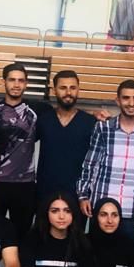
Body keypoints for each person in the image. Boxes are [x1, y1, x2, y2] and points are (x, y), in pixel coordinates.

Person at [77, 80, 134, 241]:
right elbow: (90, 163)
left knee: (127, 253)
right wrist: (83, 195)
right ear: (117, 100)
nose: (131, 103)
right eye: (126, 98)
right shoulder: (103, 128)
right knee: (96, 251)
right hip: (101, 205)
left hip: (131, 208)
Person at [0, 63, 48, 239]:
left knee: (21, 235)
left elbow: (64, 114)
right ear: (3, 82)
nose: (16, 84)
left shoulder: (38, 110)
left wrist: (93, 115)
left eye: (21, 80)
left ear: (26, 83)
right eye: (12, 80)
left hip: (25, 184)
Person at [34, 70, 97, 201]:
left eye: (72, 88)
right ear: (54, 91)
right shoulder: (43, 119)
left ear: (78, 90)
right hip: (45, 193)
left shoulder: (90, 122)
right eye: (63, 88)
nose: (68, 92)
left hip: (77, 194)